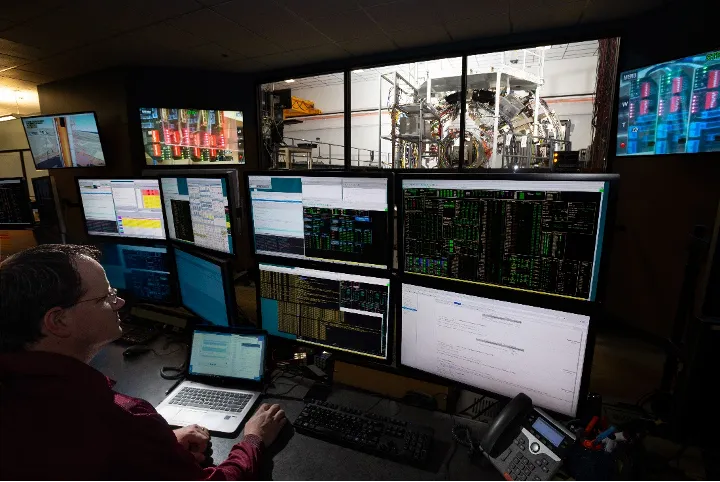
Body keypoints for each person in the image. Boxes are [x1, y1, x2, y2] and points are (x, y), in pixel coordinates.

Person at [0, 244, 287, 482]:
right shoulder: (119, 418)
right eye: (106, 296)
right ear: (58, 320)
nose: (120, 303)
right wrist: (253, 439)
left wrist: (157, 445)